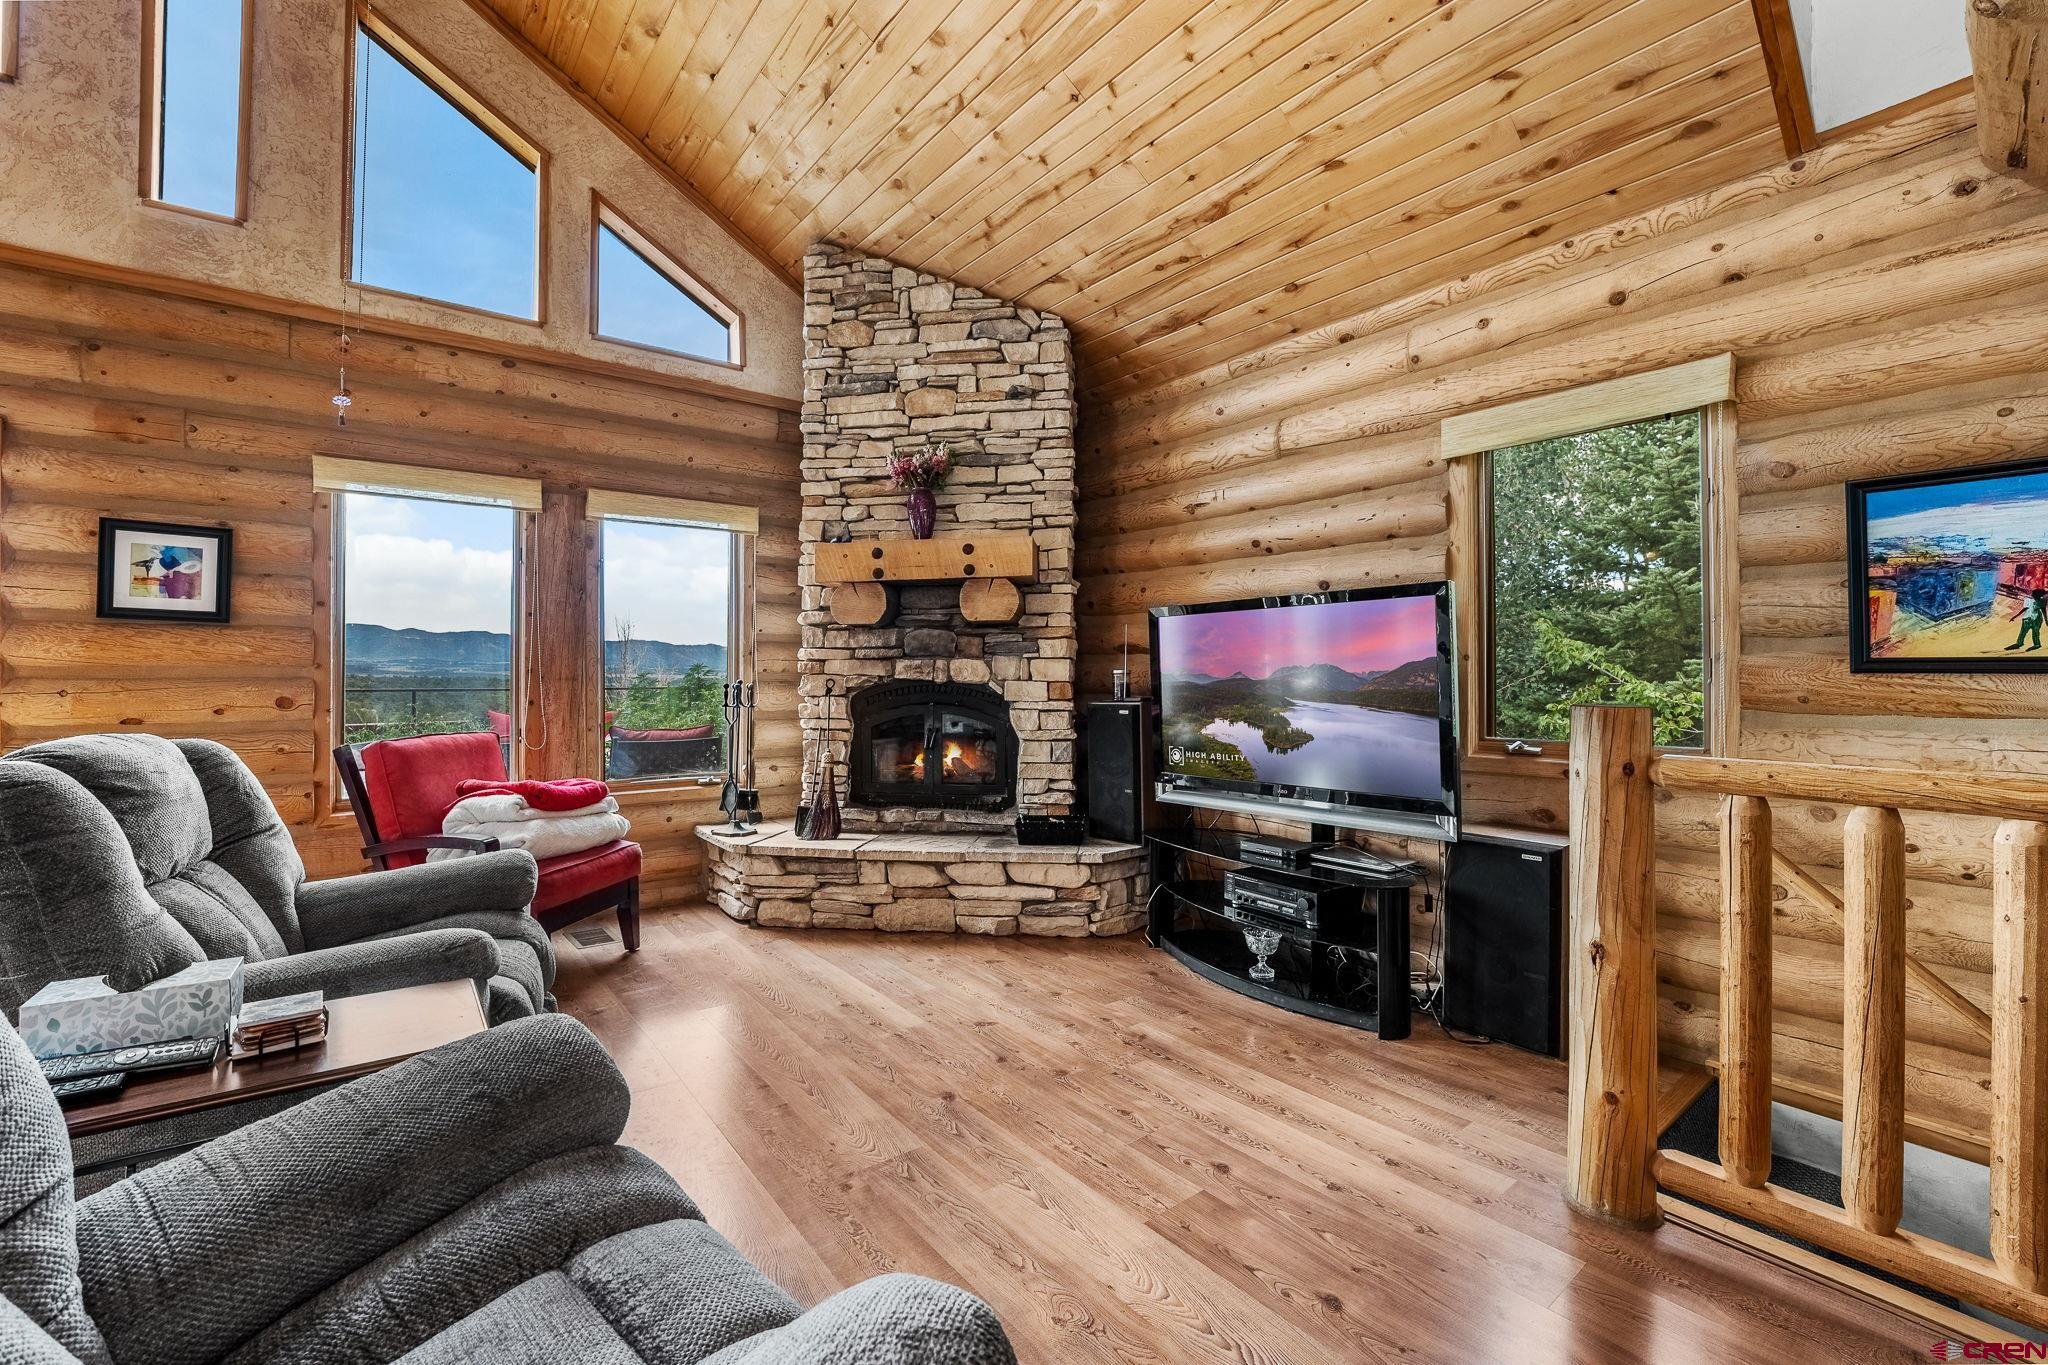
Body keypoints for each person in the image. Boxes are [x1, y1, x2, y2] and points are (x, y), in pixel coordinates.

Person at [2007, 587, 2048, 652]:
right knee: (2023, 632)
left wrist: (2046, 621)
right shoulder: (2029, 600)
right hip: (2028, 619)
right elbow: (2024, 609)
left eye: (2033, 594)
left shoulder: (2041, 602)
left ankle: (2036, 644)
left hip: (2036, 619)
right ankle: (2019, 643)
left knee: (2035, 632)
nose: (2032, 595)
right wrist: (2014, 616)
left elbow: (2044, 611)